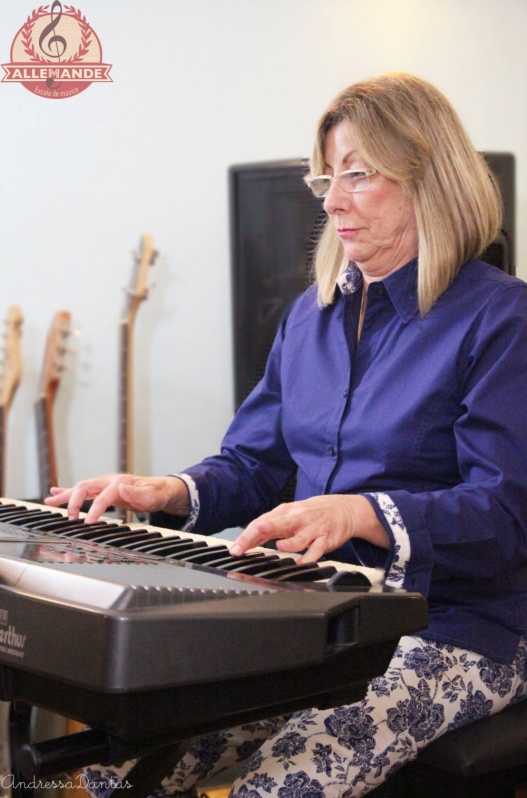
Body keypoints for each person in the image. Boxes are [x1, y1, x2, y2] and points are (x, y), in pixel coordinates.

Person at [47, 73, 527, 797]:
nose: (331, 201)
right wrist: (169, 490)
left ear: (430, 177)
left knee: (280, 784)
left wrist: (361, 512)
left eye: (358, 175)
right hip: (314, 614)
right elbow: (258, 462)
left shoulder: (499, 318)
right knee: (114, 766)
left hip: (455, 629)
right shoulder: (311, 315)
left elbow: (504, 512)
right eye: (324, 178)